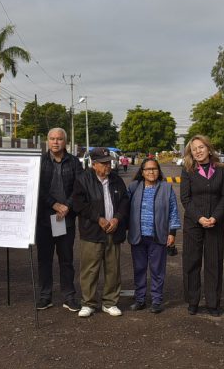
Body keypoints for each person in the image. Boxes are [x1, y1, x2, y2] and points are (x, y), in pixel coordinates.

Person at [72, 147, 130, 318]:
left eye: (109, 163)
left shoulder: (116, 180)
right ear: (94, 164)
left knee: (113, 268)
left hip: (113, 230)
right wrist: (99, 218)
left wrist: (117, 219)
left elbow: (124, 201)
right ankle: (88, 303)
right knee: (90, 268)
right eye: (104, 164)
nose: (108, 166)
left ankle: (110, 302)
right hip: (92, 232)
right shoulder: (83, 179)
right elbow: (79, 204)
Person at [180, 135, 224, 316]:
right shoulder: (188, 170)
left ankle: (213, 303)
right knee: (191, 262)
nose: (198, 151)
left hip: (215, 223)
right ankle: (193, 301)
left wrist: (215, 217)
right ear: (190, 152)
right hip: (194, 223)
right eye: (194, 149)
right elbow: (185, 199)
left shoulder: (220, 170)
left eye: (201, 147)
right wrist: (200, 218)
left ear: (209, 149)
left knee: (214, 263)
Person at [35, 128, 83, 312]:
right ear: (47, 140)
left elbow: (79, 188)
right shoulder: (40, 162)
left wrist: (67, 206)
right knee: (44, 260)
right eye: (52, 139)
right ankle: (45, 296)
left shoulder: (74, 162)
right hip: (44, 220)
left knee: (66, 260)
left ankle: (69, 296)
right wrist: (54, 204)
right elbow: (37, 187)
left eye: (59, 139)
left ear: (66, 141)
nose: (55, 142)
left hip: (66, 219)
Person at [127, 157, 180, 313]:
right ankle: (140, 299)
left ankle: (157, 300)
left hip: (158, 235)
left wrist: (172, 233)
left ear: (159, 171)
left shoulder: (166, 188)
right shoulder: (133, 187)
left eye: (154, 169)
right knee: (139, 268)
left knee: (157, 270)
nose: (151, 172)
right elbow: (124, 208)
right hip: (138, 235)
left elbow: (173, 211)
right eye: (148, 169)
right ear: (142, 172)